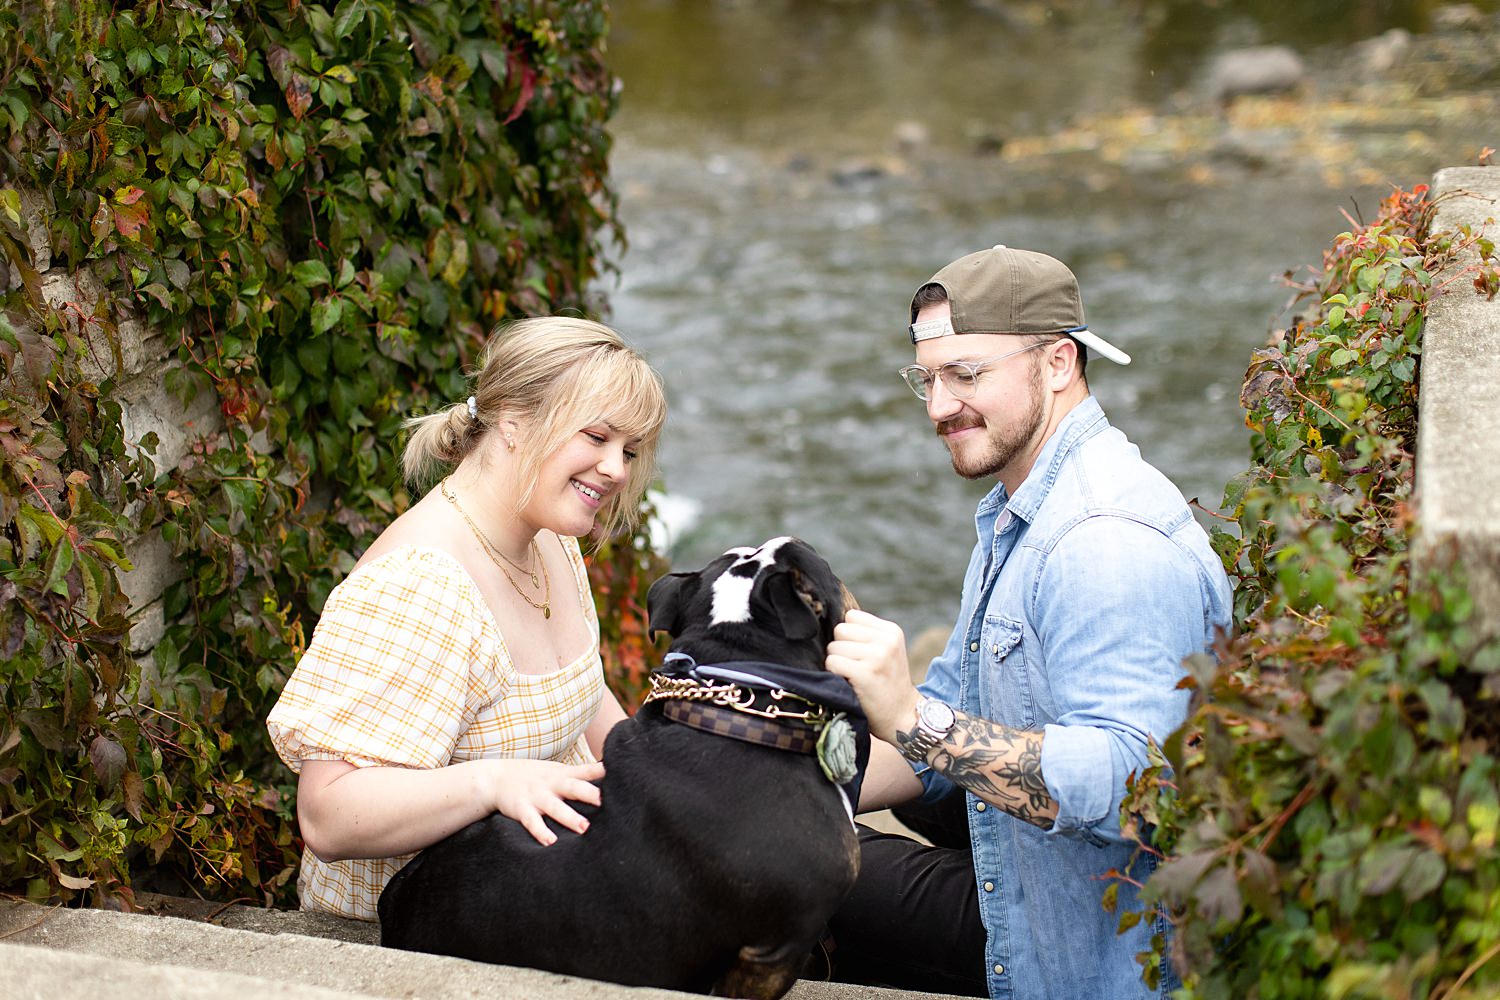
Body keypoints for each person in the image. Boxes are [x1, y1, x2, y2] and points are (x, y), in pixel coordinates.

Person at [824, 245, 1233, 998]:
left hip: (1095, 956)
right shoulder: (1020, 510)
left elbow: (1134, 790)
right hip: (1032, 876)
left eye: (967, 374)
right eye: (928, 377)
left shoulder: (1103, 542)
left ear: (1057, 363)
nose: (939, 406)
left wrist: (913, 718)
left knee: (809, 880)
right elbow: (957, 710)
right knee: (790, 842)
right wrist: (763, 781)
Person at [266, 316, 667, 920]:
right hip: (407, 934)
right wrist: (494, 783)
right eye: (597, 437)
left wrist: (668, 788)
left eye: (629, 450)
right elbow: (327, 814)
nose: (616, 469)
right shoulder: (421, 585)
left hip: (530, 886)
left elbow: (585, 702)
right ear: (512, 419)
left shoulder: (549, 538)